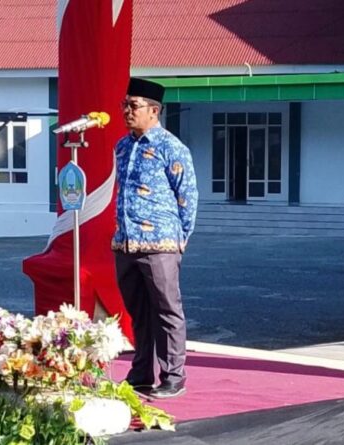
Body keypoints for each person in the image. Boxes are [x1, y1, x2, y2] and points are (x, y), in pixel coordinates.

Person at [113, 77, 198, 399]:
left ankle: (174, 377)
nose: (126, 111)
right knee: (138, 312)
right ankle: (141, 374)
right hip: (126, 243)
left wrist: (181, 237)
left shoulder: (171, 147)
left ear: (154, 110)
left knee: (167, 311)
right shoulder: (122, 146)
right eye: (124, 105)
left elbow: (187, 196)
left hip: (160, 244)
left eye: (133, 106)